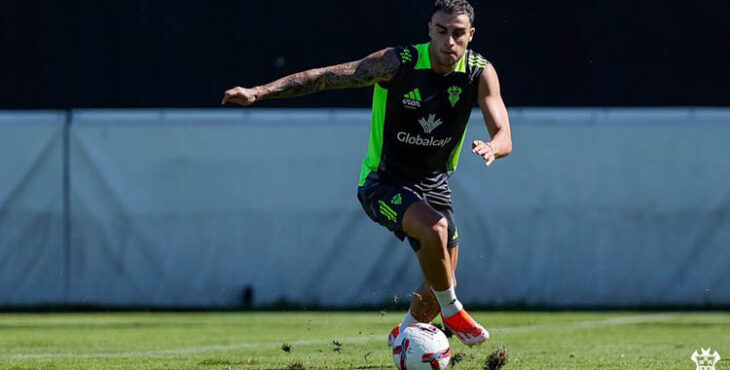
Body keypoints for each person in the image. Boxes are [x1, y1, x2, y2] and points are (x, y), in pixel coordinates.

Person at [222, 0, 512, 347]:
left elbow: (505, 135)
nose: (449, 41)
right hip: (383, 182)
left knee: (440, 281)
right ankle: (453, 312)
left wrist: (493, 147)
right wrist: (259, 92)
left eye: (458, 34)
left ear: (471, 35)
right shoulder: (397, 63)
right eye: (441, 31)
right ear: (430, 30)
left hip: (435, 184)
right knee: (437, 232)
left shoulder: (480, 72)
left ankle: (403, 335)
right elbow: (325, 77)